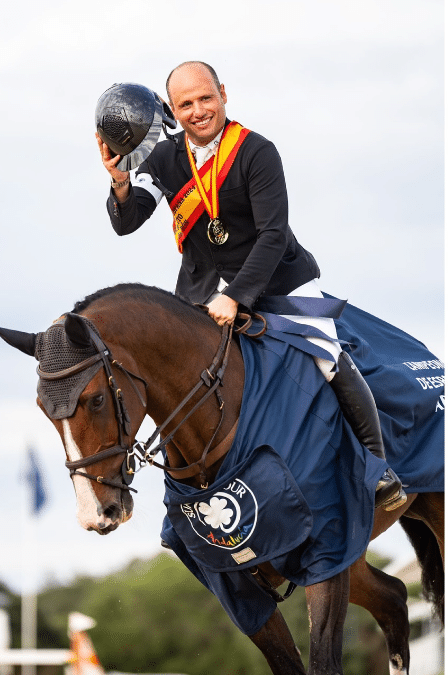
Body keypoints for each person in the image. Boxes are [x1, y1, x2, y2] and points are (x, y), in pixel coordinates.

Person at [96, 61, 406, 511]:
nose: (198, 111)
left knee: (329, 357)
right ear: (173, 110)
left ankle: (377, 468)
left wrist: (236, 295)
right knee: (175, 383)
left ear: (223, 93)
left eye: (206, 98)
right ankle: (182, 506)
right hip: (201, 293)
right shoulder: (163, 158)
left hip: (281, 281)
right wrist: (119, 180)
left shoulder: (257, 151)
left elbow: (273, 236)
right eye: (186, 104)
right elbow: (128, 221)